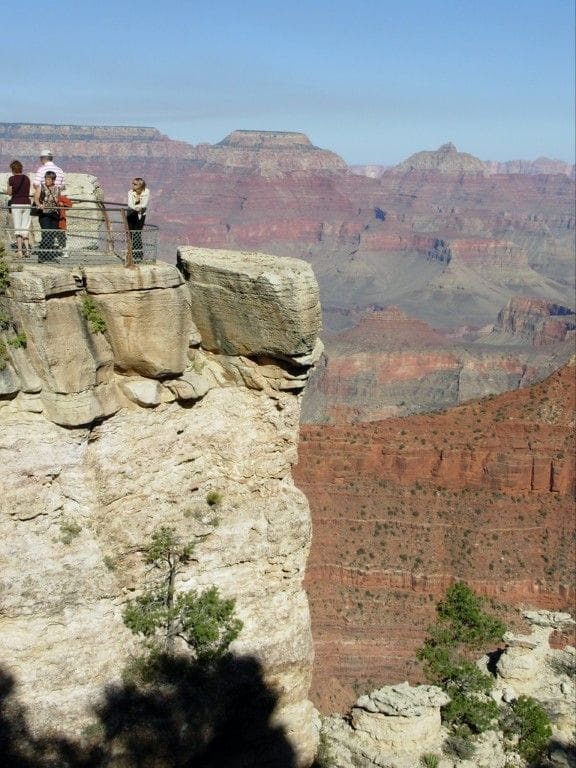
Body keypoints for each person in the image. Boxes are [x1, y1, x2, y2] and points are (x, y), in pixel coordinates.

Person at [34, 171, 61, 262]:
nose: (47, 180)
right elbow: (36, 198)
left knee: (52, 234)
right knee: (46, 234)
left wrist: (60, 203)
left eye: (49, 179)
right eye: (46, 178)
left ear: (53, 180)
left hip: (54, 213)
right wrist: (39, 204)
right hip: (44, 214)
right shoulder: (41, 187)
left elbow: (58, 200)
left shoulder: (57, 188)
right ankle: (42, 256)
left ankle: (50, 256)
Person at [6, 160, 31, 257]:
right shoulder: (27, 178)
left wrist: (7, 186)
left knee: (18, 227)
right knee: (25, 227)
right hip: (27, 203)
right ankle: (28, 250)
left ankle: (20, 250)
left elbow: (9, 192)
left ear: (12, 169)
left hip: (16, 203)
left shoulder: (11, 179)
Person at [126, 178, 149, 262]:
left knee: (137, 235)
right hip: (131, 215)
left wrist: (140, 207)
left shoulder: (146, 191)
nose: (133, 185)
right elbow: (130, 204)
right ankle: (133, 255)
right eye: (133, 183)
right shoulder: (130, 192)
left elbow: (145, 203)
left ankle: (138, 255)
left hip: (140, 216)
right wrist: (136, 208)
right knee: (131, 235)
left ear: (140, 185)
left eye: (135, 184)